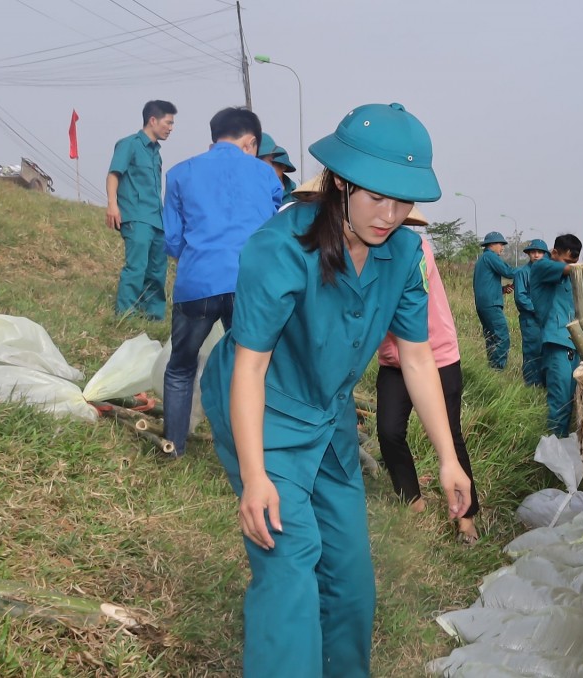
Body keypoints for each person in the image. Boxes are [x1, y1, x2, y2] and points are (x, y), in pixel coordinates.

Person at [199, 102, 472, 677]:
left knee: (350, 577)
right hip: (263, 408)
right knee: (290, 564)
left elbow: (418, 359)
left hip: (329, 415)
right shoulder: (279, 247)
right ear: (340, 183)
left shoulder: (403, 253)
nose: (390, 215)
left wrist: (448, 459)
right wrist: (254, 478)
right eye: (376, 197)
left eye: (403, 201)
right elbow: (249, 368)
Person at [161, 107, 282, 457]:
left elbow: (172, 240)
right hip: (249, 283)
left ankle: (174, 447)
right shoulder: (265, 174)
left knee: (181, 367)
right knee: (251, 368)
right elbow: (273, 229)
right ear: (251, 142)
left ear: (215, 136)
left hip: (197, 283)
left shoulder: (180, 172)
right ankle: (251, 452)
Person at [377, 229, 480, 544]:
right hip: (393, 362)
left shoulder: (412, 247)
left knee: (449, 435)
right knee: (389, 431)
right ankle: (413, 503)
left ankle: (466, 518)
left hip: (437, 357)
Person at [529, 233, 583, 437]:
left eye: (574, 261)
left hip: (577, 345)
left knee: (571, 402)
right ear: (554, 253)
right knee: (559, 403)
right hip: (556, 343)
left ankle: (562, 445)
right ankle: (554, 447)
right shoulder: (542, 267)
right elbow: (578, 270)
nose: (570, 265)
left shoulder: (570, 274)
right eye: (566, 260)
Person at [106, 100, 176, 320]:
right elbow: (114, 174)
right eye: (168, 122)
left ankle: (153, 316)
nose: (171, 128)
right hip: (136, 216)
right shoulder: (129, 144)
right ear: (153, 120)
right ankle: (126, 314)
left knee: (157, 270)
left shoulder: (157, 153)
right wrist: (112, 205)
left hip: (157, 218)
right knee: (137, 266)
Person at [473, 231, 515, 369]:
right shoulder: (491, 256)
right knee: (502, 338)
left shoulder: (482, 259)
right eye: (500, 244)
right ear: (491, 244)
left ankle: (492, 371)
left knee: (491, 339)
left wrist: (502, 289)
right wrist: (528, 271)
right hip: (491, 305)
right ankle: (497, 370)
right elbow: (508, 272)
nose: (502, 247)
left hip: (483, 305)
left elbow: (485, 284)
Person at [513, 239, 548, 386]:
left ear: (545, 254)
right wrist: (537, 308)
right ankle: (532, 385)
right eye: (533, 252)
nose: (536, 255)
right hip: (530, 319)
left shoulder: (547, 273)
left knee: (546, 350)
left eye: (540, 252)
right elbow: (520, 297)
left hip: (546, 319)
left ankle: (544, 383)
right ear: (529, 254)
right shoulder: (522, 273)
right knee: (532, 351)